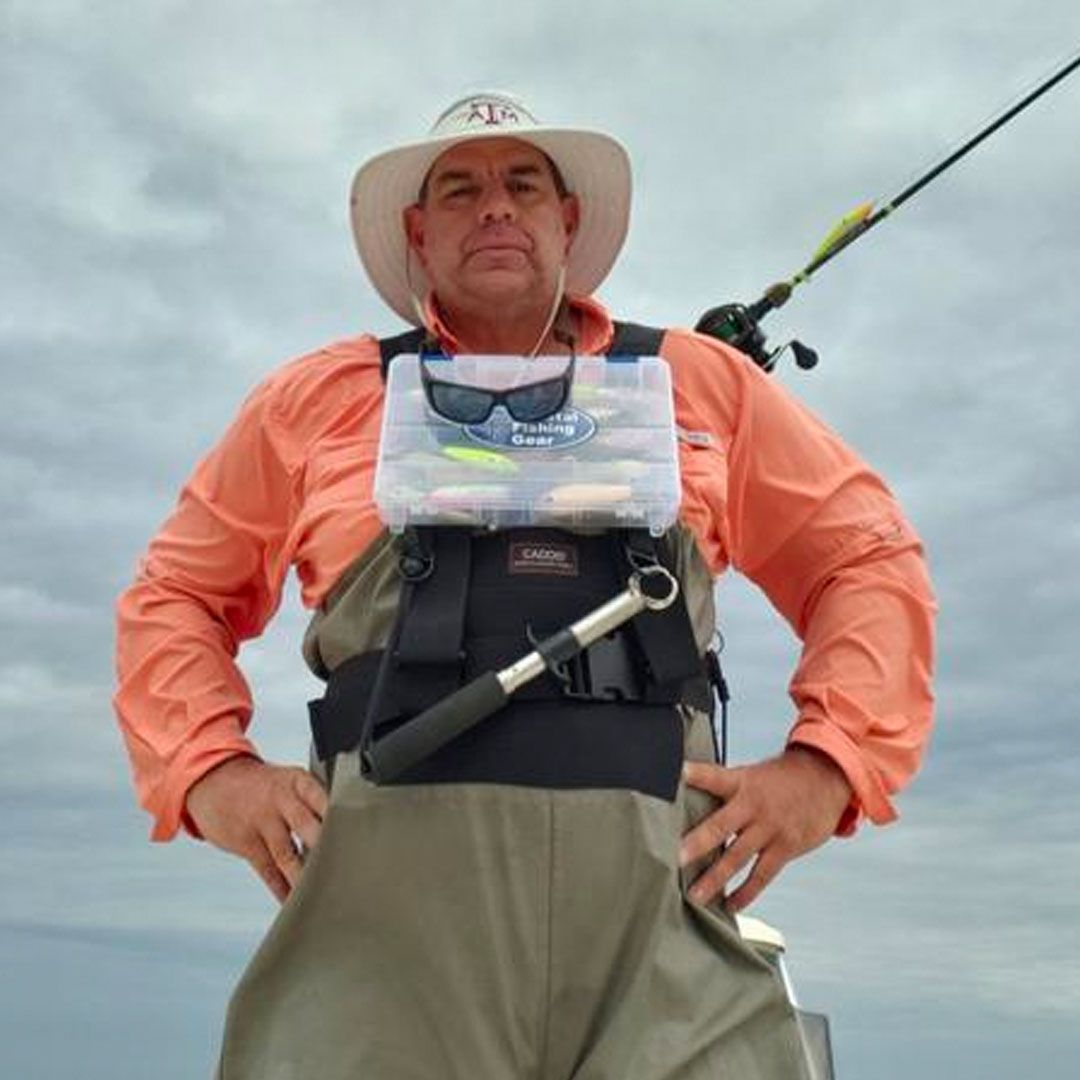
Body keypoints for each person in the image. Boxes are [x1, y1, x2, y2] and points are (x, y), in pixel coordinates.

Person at [114, 91, 936, 1079]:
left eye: (523, 184)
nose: (494, 208)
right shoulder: (314, 400)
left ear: (567, 220)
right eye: (459, 189)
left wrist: (828, 765)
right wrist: (211, 775)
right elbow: (176, 595)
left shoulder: (702, 382)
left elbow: (866, 557)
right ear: (418, 234)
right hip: (380, 958)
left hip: (664, 944)